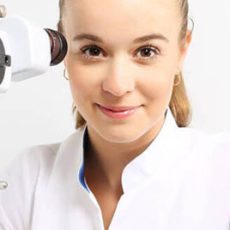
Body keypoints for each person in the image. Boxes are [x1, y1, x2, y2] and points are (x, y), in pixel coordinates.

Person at [0, 0, 230, 229]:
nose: (117, 85)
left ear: (182, 51)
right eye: (93, 50)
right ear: (62, 51)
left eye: (146, 51)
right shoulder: (27, 179)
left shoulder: (222, 174)